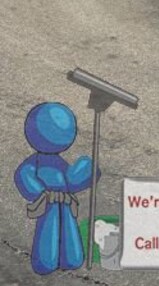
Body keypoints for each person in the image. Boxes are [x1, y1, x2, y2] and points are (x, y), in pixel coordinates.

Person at [13, 102, 97, 275]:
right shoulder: (34, 162)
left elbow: (71, 179)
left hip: (64, 202)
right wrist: (38, 191)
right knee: (49, 228)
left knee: (68, 228)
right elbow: (25, 174)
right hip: (49, 202)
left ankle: (71, 258)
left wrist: (87, 170)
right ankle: (46, 261)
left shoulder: (60, 164)